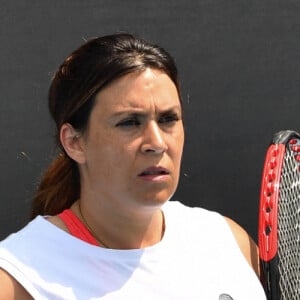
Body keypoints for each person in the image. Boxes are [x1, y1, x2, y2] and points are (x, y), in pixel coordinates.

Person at [0, 33, 266, 299]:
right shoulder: (16, 278)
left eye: (168, 119)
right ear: (74, 143)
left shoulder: (228, 240)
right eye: (129, 122)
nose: (157, 143)